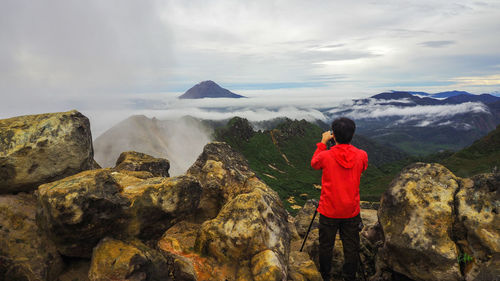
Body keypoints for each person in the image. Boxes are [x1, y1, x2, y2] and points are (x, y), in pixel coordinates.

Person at [311, 117, 368, 281]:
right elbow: (363, 167)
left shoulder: (326, 156)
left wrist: (322, 142)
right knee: (351, 246)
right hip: (351, 210)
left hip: (329, 210)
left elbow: (314, 163)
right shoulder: (361, 155)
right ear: (352, 134)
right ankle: (349, 276)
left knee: (326, 246)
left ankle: (325, 276)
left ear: (333, 135)